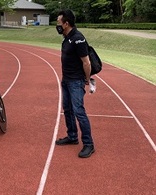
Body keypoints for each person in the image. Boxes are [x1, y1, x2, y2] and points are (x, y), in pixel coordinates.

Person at [55, 10, 95, 158]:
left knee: (79, 111)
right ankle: (72, 136)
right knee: (68, 109)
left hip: (76, 82)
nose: (57, 25)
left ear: (66, 23)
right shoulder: (67, 38)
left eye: (59, 22)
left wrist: (87, 79)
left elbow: (86, 62)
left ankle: (89, 144)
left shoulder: (78, 38)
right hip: (66, 80)